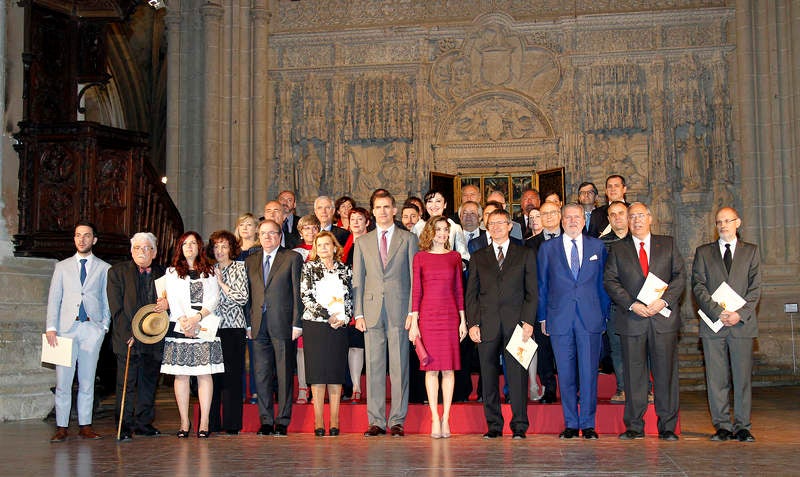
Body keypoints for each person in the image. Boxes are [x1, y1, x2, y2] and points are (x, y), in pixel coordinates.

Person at [604, 202, 686, 441]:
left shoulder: (667, 244)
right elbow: (610, 281)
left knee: (665, 374)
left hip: (663, 319)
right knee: (634, 375)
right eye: (632, 217)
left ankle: (668, 426)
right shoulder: (618, 248)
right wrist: (632, 304)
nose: (636, 220)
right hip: (633, 319)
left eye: (640, 215)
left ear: (650, 218)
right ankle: (634, 426)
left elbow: (680, 277)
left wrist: (664, 302)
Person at [537, 204, 610, 440]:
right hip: (560, 319)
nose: (572, 221)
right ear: (560, 219)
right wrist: (543, 317)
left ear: (583, 220)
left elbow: (603, 284)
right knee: (566, 374)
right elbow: (542, 286)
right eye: (567, 217)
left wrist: (604, 315)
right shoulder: (548, 248)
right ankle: (570, 423)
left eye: (576, 217)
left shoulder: (597, 246)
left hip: (590, 319)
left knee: (589, 373)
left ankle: (588, 424)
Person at [466, 207, 537, 439]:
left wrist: (528, 321)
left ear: (510, 226)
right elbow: (472, 294)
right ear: (487, 226)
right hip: (486, 324)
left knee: (517, 376)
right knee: (488, 376)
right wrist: (473, 323)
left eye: (500, 223)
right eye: (491, 223)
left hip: (517, 325)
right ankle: (494, 426)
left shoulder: (524, 253)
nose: (496, 227)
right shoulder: (479, 256)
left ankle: (519, 426)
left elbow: (532, 292)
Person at [692, 207, 761, 442]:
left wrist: (739, 314)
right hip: (714, 324)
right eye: (719, 222)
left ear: (738, 222)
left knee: (742, 378)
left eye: (727, 221)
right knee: (716, 378)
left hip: (741, 324)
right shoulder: (704, 252)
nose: (723, 225)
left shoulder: (751, 252)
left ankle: (743, 425)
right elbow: (698, 286)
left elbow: (756, 288)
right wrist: (718, 311)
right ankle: (721, 425)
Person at [353, 190, 418, 437]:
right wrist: (358, 313)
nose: (383, 211)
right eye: (378, 207)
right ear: (373, 212)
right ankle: (376, 420)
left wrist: (413, 311)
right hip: (371, 310)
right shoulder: (363, 242)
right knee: (374, 364)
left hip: (400, 309)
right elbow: (358, 280)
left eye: (387, 207)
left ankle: (398, 420)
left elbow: (414, 280)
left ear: (394, 210)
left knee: (399, 364)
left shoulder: (408, 239)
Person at [46, 222, 112, 442]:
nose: (82, 239)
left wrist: (103, 327)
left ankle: (85, 425)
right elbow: (54, 299)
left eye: (87, 236)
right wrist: (51, 328)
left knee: (87, 380)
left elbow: (106, 300)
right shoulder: (62, 267)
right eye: (78, 235)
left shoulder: (104, 268)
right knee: (63, 381)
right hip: (64, 331)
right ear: (74, 239)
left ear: (94, 240)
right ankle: (62, 426)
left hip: (91, 329)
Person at [408, 217, 468, 438]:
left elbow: (459, 291)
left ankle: (446, 418)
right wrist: (415, 322)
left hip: (450, 316)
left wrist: (463, 320)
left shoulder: (454, 257)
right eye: (438, 229)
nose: (442, 234)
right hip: (428, 317)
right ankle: (434, 417)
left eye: (446, 230)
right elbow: (416, 292)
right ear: (430, 232)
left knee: (449, 370)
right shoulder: (420, 257)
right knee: (432, 369)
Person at [107, 232, 169, 440]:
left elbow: (173, 302)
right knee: (126, 384)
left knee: (149, 382)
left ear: (155, 252)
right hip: (129, 338)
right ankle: (124, 426)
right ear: (131, 251)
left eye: (146, 248)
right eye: (137, 248)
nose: (141, 252)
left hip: (154, 337)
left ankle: (144, 423)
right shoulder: (117, 272)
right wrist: (128, 334)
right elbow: (116, 308)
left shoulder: (164, 273)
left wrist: (167, 305)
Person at [245, 219, 304, 437]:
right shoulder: (250, 261)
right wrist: (248, 323)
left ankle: (282, 420)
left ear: (280, 236)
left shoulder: (291, 258)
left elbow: (298, 293)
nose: (268, 237)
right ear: (258, 237)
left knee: (284, 373)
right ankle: (266, 421)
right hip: (258, 325)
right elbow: (248, 296)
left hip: (283, 324)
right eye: (263, 234)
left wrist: (297, 323)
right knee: (261, 375)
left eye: (272, 233)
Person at [161, 232, 223, 438]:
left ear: (200, 247)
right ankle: (184, 421)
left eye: (193, 243)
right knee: (181, 374)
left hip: (204, 324)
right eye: (185, 244)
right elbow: (172, 299)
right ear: (180, 247)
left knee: (205, 373)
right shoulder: (171, 272)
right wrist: (184, 322)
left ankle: (204, 421)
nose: (189, 247)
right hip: (181, 325)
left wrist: (196, 318)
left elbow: (214, 299)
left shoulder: (210, 271)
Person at [300, 231, 353, 436]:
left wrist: (345, 318)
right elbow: (306, 297)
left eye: (327, 244)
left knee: (335, 373)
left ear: (334, 247)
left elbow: (350, 297)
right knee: (318, 374)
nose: (323, 248)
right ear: (315, 248)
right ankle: (319, 421)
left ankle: (335, 421)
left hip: (339, 326)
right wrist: (328, 316)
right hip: (316, 325)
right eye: (319, 245)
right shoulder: (309, 268)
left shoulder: (345, 269)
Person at [208, 230, 249, 435]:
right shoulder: (207, 269)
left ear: (231, 248)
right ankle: (212, 422)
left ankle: (232, 424)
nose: (220, 250)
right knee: (213, 377)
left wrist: (221, 283)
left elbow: (241, 298)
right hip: (212, 329)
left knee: (232, 378)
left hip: (233, 329)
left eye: (224, 246)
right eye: (216, 246)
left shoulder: (240, 267)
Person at [599, 200, 631, 403]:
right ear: (609, 219)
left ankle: (646, 389)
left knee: (640, 350)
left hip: (640, 304)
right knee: (617, 348)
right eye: (613, 214)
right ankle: (622, 388)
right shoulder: (601, 244)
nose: (617, 217)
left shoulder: (639, 239)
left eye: (621, 213)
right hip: (613, 304)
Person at [291, 214, 321, 404]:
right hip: (302, 306)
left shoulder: (326, 248)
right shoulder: (295, 253)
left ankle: (317, 388)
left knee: (318, 350)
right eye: (306, 228)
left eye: (314, 228)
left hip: (323, 306)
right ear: (301, 232)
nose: (310, 232)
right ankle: (303, 387)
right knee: (302, 351)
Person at [341, 207, 370, 403]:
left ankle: (362, 387)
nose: (356, 222)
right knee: (352, 344)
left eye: (360, 219)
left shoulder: (374, 241)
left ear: (367, 222)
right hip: (348, 300)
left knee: (364, 345)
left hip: (370, 298)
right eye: (353, 219)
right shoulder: (344, 243)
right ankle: (354, 386)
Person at [234, 212, 261, 404]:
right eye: (242, 225)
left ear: (256, 229)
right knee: (237, 352)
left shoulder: (260, 251)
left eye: (249, 225)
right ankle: (240, 391)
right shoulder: (232, 252)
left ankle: (256, 391)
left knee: (255, 351)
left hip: (254, 304)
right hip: (235, 306)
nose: (245, 228)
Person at [411, 190, 469, 261]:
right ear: (425, 205)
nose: (434, 205)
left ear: (445, 205)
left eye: (438, 201)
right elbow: (412, 254)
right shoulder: (419, 227)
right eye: (430, 201)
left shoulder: (454, 227)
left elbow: (464, 256)